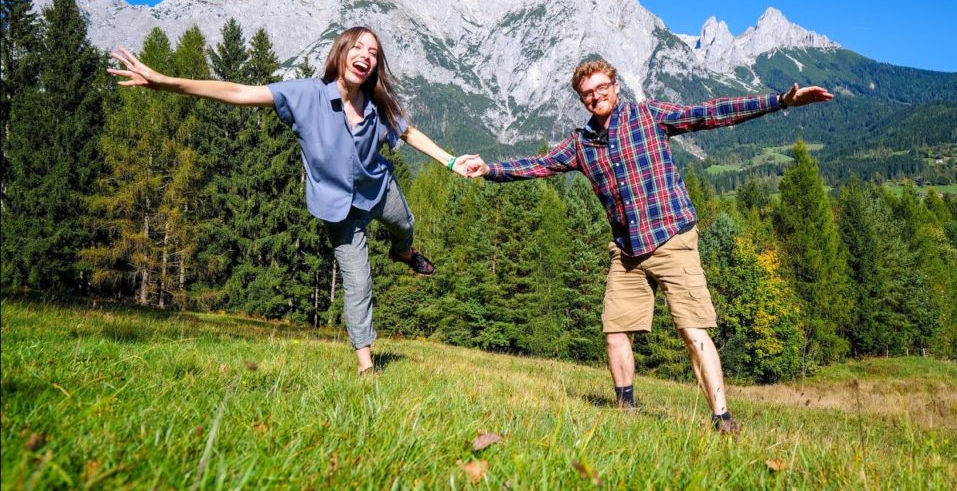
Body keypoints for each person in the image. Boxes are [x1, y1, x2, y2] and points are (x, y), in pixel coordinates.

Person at [465, 59, 833, 434]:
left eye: (601, 88)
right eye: (587, 93)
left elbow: (709, 113)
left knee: (693, 330)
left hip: (672, 239)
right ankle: (625, 409)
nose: (596, 96)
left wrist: (780, 101)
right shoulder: (582, 143)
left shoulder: (648, 115)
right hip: (627, 252)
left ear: (615, 86)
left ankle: (721, 418)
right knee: (615, 329)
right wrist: (489, 169)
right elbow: (539, 164)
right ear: (582, 100)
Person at [109, 26, 475, 375]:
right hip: (339, 210)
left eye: (374, 53)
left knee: (406, 226)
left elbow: (407, 132)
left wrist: (450, 161)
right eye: (358, 47)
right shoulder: (306, 95)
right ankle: (366, 365)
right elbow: (239, 92)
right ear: (341, 53)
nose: (366, 55)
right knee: (358, 283)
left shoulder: (376, 103)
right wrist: (165, 83)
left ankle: (403, 252)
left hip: (378, 190)